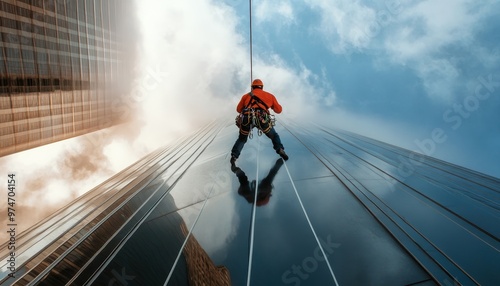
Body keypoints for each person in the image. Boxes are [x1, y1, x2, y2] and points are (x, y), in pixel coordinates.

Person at [230, 79, 288, 164]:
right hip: (262, 118)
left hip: (247, 118)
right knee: (274, 136)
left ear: (252, 87)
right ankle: (280, 149)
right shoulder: (270, 96)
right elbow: (278, 110)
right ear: (262, 87)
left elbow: (238, 109)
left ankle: (234, 156)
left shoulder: (246, 96)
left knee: (242, 139)